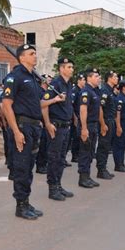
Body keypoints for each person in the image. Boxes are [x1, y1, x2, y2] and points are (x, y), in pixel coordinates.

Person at [1, 44, 44, 220]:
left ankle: (26, 201)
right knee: (21, 166)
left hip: (34, 127)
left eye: (35, 53)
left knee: (29, 166)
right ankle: (20, 205)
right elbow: (6, 105)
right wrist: (16, 131)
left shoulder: (33, 78)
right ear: (22, 57)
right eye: (31, 54)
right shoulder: (14, 77)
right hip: (23, 126)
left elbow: (37, 104)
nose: (35, 56)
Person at [40, 57, 75, 201]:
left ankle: (58, 185)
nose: (71, 69)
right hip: (56, 126)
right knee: (54, 158)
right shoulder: (55, 84)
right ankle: (52, 188)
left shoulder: (68, 85)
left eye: (72, 67)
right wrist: (48, 123)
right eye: (68, 67)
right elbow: (42, 103)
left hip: (66, 126)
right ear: (61, 69)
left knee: (61, 158)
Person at [77, 68, 101, 188]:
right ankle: (83, 178)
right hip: (87, 125)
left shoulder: (94, 91)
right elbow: (83, 110)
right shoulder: (86, 92)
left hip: (93, 125)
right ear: (89, 78)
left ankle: (87, 176)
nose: (99, 78)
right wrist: (84, 128)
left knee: (91, 152)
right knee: (85, 152)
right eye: (96, 76)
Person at [96, 70, 118, 180]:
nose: (117, 78)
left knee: (106, 146)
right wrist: (103, 124)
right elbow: (100, 108)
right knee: (103, 145)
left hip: (110, 120)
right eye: (115, 76)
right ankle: (101, 170)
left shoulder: (111, 90)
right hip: (105, 121)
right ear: (109, 78)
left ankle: (103, 168)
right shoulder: (104, 90)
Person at [35, 74, 53, 174]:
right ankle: (40, 165)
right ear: (43, 81)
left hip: (48, 121)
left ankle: (44, 163)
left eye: (50, 80)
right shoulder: (39, 91)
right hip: (41, 121)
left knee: (46, 144)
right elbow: (39, 106)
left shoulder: (48, 92)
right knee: (41, 144)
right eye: (48, 80)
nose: (50, 82)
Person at [69, 73, 85, 162]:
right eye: (83, 80)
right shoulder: (75, 90)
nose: (84, 82)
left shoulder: (82, 90)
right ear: (78, 80)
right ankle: (74, 156)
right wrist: (74, 117)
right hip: (75, 116)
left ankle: (77, 154)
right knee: (75, 137)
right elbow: (72, 105)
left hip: (80, 116)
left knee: (78, 136)